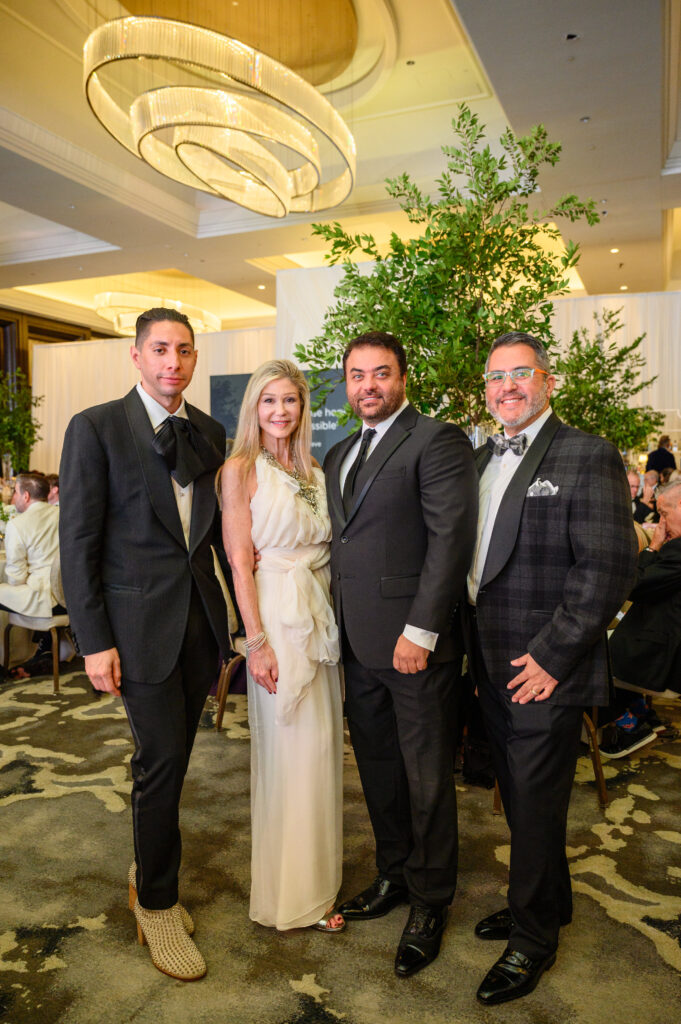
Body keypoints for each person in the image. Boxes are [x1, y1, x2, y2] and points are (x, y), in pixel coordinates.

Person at [464, 331, 638, 1006]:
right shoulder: (479, 457)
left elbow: (608, 568)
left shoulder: (585, 453)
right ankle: (549, 903)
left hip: (544, 664)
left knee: (534, 806)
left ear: (546, 380)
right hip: (491, 658)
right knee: (519, 796)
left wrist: (552, 655)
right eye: (495, 377)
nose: (506, 387)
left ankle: (532, 940)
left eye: (520, 374)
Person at [59, 307, 228, 981]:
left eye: (184, 351)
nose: (172, 363)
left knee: (175, 761)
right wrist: (92, 641)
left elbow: (216, 540)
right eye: (159, 350)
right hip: (133, 633)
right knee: (158, 763)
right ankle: (156, 901)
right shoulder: (96, 426)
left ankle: (148, 865)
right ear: (136, 356)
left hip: (199, 628)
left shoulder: (209, 431)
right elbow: (78, 544)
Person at [324, 330, 477, 978]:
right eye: (357, 375)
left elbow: (449, 540)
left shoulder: (436, 441)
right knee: (380, 774)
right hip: (356, 644)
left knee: (425, 782)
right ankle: (393, 876)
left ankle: (430, 900)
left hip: (414, 648)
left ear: (402, 377)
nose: (368, 386)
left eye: (380, 373)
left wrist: (420, 632)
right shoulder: (336, 455)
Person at [221, 359, 344, 932]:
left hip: (316, 611)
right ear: (254, 408)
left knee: (319, 750)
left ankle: (320, 884)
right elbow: (240, 563)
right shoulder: (240, 469)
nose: (279, 411)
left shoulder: (315, 470)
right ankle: (293, 893)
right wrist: (257, 642)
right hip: (274, 612)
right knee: (289, 751)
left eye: (289, 401)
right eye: (268, 401)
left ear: (302, 409)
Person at [610, 480, 681, 697]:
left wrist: (652, 548)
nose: (662, 523)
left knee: (594, 661)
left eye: (664, 514)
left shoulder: (677, 550)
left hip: (667, 657)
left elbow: (633, 586)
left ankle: (631, 723)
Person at [0, 472, 59, 617]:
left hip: (42, 598)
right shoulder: (62, 514)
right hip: (71, 595)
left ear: (25, 496)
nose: (14, 498)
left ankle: (12, 640)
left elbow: (16, 578)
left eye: (15, 492)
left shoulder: (17, 524)